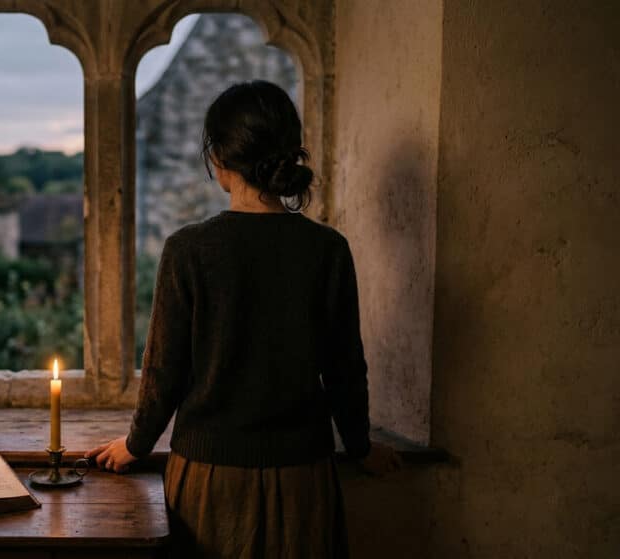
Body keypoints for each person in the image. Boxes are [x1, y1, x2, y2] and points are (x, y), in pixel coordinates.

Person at [85, 80, 403, 558]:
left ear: (218, 160)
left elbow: (164, 370)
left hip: (209, 482)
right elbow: (344, 369)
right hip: (304, 482)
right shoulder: (327, 250)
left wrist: (136, 444)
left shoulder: (188, 250)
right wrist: (359, 447)